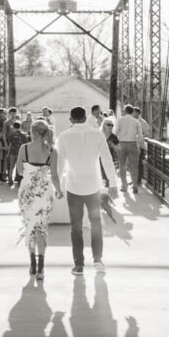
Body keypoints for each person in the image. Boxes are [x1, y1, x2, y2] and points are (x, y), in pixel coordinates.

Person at [52, 106, 117, 276]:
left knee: (76, 227)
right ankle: (98, 260)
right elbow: (107, 159)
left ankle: (79, 265)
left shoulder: (64, 136)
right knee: (96, 224)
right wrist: (113, 183)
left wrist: (57, 187)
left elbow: (59, 164)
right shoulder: (97, 134)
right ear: (84, 117)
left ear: (71, 119)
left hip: (74, 186)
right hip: (93, 186)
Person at [16, 118, 57, 280]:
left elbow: (19, 171)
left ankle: (32, 263)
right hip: (45, 193)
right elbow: (54, 176)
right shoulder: (52, 151)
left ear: (32, 133)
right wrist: (59, 191)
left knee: (30, 227)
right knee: (42, 229)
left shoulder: (24, 148)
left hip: (27, 194)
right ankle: (41, 268)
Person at [117, 104, 144, 195]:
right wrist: (140, 145)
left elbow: (116, 133)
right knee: (134, 166)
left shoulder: (120, 120)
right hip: (132, 144)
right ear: (132, 111)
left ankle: (124, 186)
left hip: (122, 144)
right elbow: (140, 136)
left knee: (122, 166)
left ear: (124, 111)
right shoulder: (136, 122)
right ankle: (135, 186)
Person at [6, 119, 29, 186]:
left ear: (13, 127)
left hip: (12, 152)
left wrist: (8, 153)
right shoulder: (23, 135)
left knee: (11, 167)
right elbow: (26, 144)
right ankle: (18, 180)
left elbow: (10, 144)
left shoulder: (12, 135)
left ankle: (10, 180)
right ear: (20, 127)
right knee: (19, 166)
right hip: (20, 153)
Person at [101, 118, 120, 186]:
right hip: (99, 159)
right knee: (100, 177)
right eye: (108, 125)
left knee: (108, 177)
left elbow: (119, 148)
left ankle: (107, 193)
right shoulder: (99, 135)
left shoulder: (113, 137)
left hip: (110, 159)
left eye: (112, 125)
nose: (111, 127)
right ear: (103, 125)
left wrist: (113, 146)